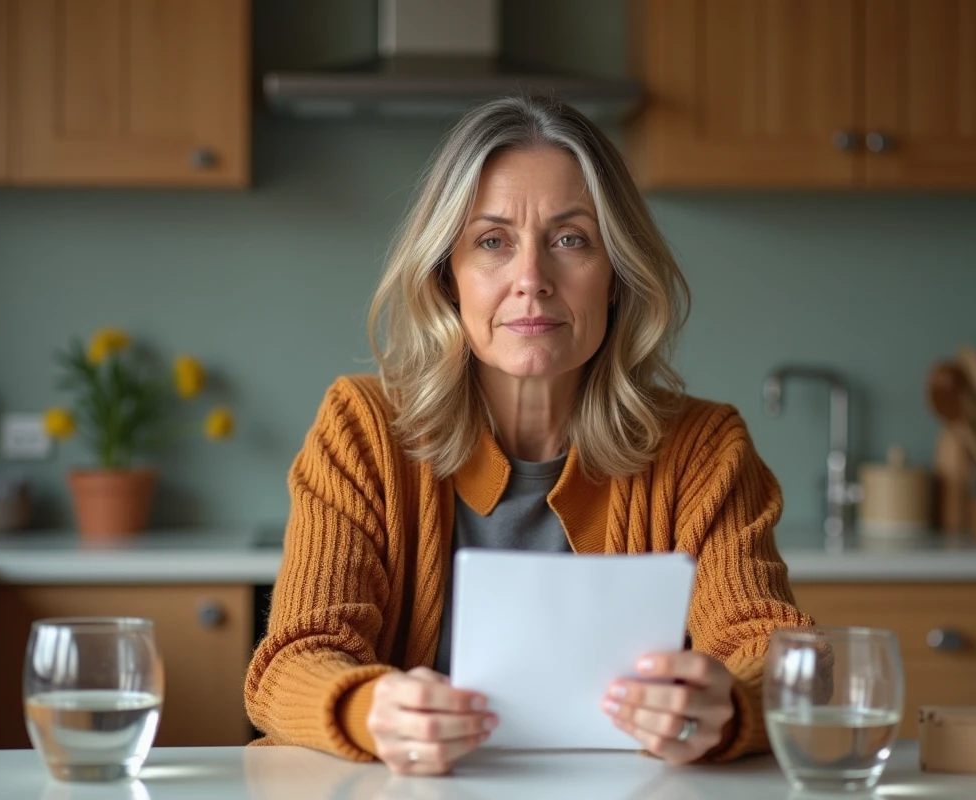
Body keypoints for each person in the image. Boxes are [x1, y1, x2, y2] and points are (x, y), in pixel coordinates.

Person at [245, 95, 812, 776]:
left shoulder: (704, 448)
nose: (532, 281)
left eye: (571, 240)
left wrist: (730, 703)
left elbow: (774, 655)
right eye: (492, 242)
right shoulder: (363, 430)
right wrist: (374, 711)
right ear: (448, 278)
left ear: (615, 277)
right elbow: (292, 661)